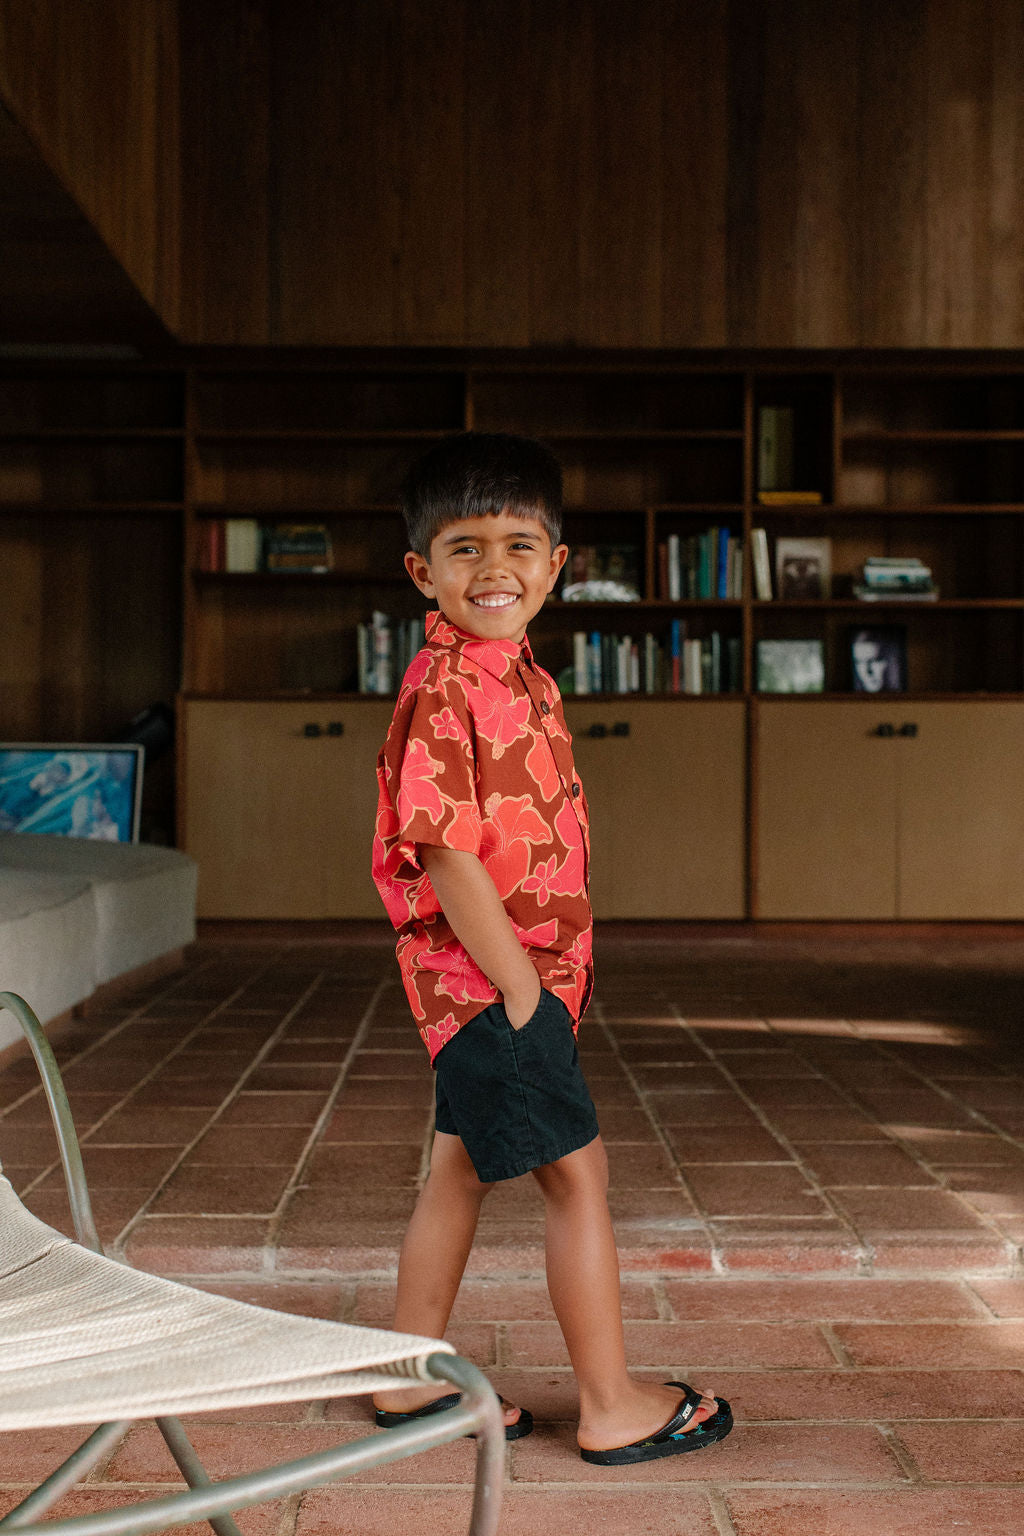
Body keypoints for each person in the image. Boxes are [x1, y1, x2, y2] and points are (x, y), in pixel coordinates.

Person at [370, 431, 732, 1464]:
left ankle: (404, 1382)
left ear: (556, 564)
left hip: (510, 984)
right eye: (465, 548)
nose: (494, 569)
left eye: (519, 545)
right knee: (579, 1178)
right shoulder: (445, 691)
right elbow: (443, 854)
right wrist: (524, 992)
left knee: (456, 1171)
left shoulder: (517, 673)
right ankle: (612, 1404)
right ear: (420, 572)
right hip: (493, 986)